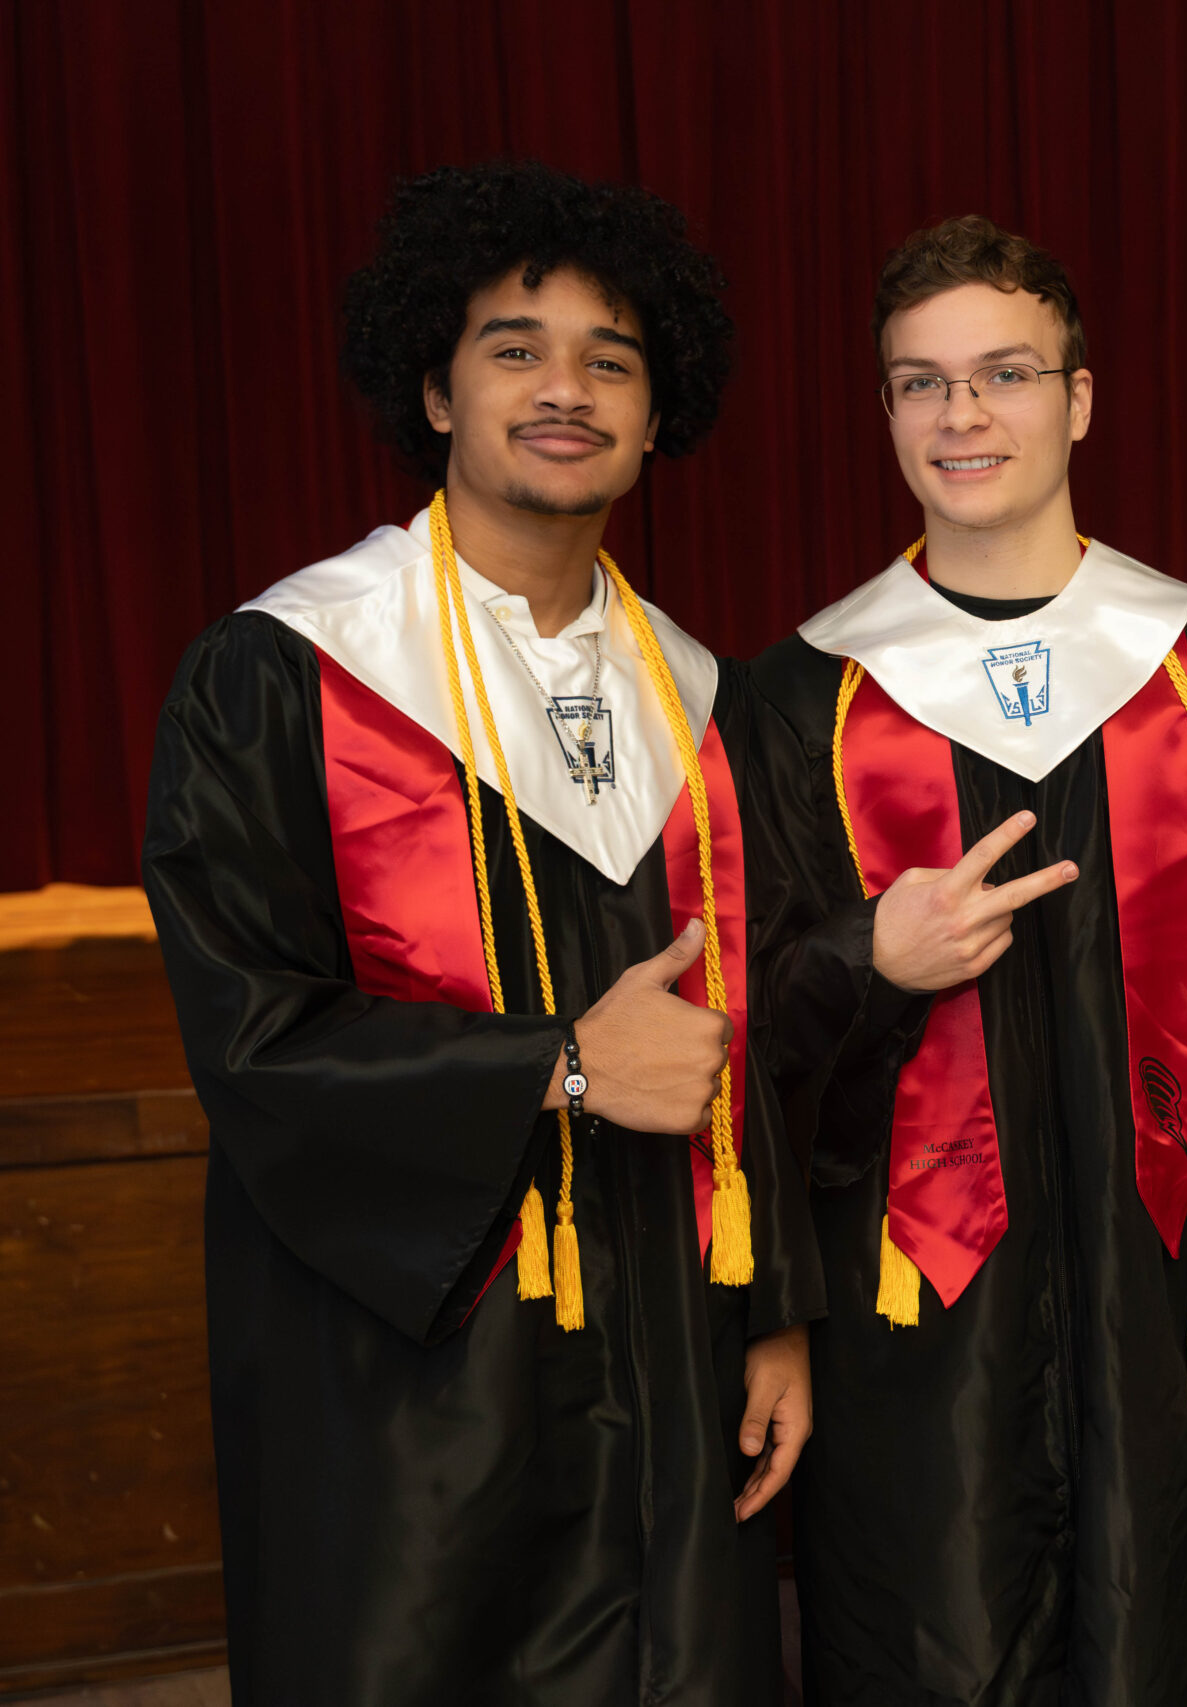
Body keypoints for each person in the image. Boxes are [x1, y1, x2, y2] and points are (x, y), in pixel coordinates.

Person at [140, 160, 819, 1706]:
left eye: (611, 360)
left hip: (669, 1346)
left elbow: (756, 1030)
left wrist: (773, 1312)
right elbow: (254, 1038)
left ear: (657, 413)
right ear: (437, 392)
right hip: (410, 1376)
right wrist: (560, 1070)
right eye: (517, 349)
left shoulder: (708, 703)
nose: (565, 388)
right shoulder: (286, 671)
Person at [753, 215, 1187, 1706]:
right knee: (931, 1652)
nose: (962, 415)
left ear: (1080, 397)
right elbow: (757, 1022)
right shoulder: (805, 692)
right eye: (921, 383)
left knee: (1154, 1647)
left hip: (1159, 1283)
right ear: (886, 411)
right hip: (913, 1308)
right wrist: (871, 956)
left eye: (1003, 373)